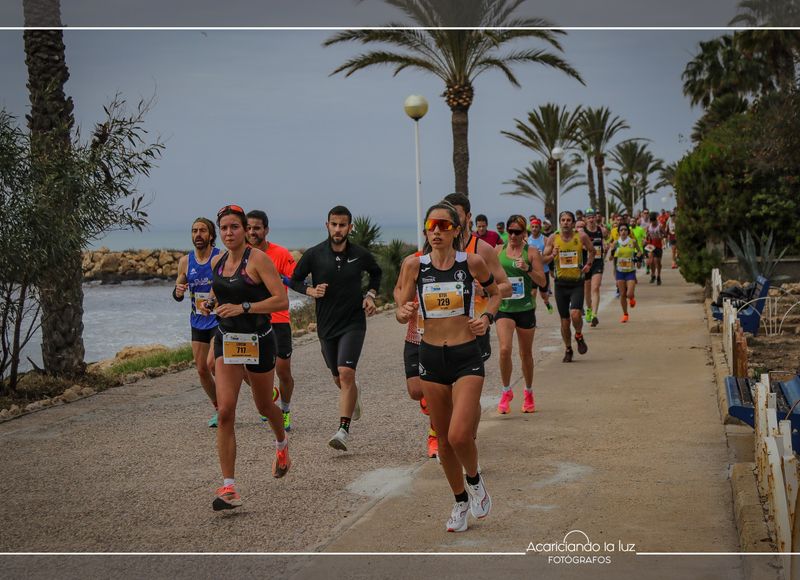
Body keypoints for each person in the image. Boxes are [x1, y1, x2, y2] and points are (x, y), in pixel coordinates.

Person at [395, 202, 500, 533]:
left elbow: (495, 293)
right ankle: (459, 502)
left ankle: (474, 477)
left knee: (458, 435)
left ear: (456, 229)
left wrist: (486, 317)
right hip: (430, 357)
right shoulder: (414, 265)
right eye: (431, 225)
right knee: (442, 440)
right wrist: (401, 311)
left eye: (443, 225)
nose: (436, 231)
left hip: (466, 355)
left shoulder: (471, 262)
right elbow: (401, 299)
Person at [198, 204, 291, 511]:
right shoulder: (220, 260)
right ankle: (229, 487)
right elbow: (221, 292)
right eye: (223, 228)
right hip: (227, 340)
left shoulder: (258, 259)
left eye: (234, 227)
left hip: (259, 340)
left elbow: (281, 298)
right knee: (225, 412)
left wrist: (245, 308)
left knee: (264, 405)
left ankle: (281, 442)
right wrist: (210, 303)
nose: (229, 233)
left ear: (244, 230)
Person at [288, 205, 382, 452]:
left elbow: (376, 273)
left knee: (346, 372)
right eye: (334, 224)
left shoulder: (360, 254)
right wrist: (310, 290)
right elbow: (294, 279)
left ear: (350, 227)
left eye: (342, 225)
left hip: (353, 322)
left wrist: (370, 295)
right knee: (338, 377)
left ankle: (343, 430)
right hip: (326, 325)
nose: (338, 229)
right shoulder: (315, 254)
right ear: (327, 225)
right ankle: (353, 392)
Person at [246, 210, 298, 431]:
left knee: (283, 370)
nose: (251, 232)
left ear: (266, 230)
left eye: (256, 228)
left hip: (277, 319)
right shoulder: (241, 254)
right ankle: (269, 397)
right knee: (245, 369)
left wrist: (285, 279)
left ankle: (284, 409)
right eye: (248, 227)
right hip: (250, 321)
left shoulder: (280, 253)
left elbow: (296, 279)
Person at [495, 215, 546, 414]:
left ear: (524, 233)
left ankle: (528, 392)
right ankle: (506, 391)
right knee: (504, 350)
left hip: (525, 308)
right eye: (511, 231)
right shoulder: (498, 251)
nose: (514, 235)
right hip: (505, 308)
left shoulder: (531, 252)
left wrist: (528, 269)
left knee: (526, 354)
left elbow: (542, 282)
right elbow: (488, 274)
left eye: (517, 232)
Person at [173, 218, 221, 427]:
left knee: (214, 365)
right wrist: (177, 291)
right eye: (194, 231)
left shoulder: (219, 257)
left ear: (211, 235)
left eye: (202, 231)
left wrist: (212, 301)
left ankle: (258, 399)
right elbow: (178, 290)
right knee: (202, 369)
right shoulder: (185, 261)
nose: (198, 234)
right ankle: (219, 408)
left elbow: (224, 285)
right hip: (198, 320)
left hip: (220, 318)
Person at [543, 211, 595, 363]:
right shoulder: (554, 238)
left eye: (568, 220)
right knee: (565, 321)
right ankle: (568, 348)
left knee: (576, 314)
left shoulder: (581, 237)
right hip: (560, 284)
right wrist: (552, 254)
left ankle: (578, 334)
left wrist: (589, 265)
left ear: (573, 223)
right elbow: (543, 259)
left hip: (577, 283)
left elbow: (592, 251)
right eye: (563, 220)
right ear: (559, 222)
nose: (565, 222)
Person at [607, 222, 642, 323]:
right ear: (618, 232)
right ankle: (625, 314)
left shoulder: (633, 242)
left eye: (625, 230)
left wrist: (638, 258)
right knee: (622, 294)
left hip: (630, 271)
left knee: (629, 293)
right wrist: (612, 252)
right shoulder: (615, 243)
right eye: (621, 230)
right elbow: (610, 258)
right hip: (620, 271)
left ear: (628, 232)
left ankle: (631, 298)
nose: (623, 232)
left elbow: (639, 251)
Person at [582, 209, 607, 327]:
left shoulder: (601, 230)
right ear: (585, 219)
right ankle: (588, 309)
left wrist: (606, 246)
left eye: (592, 217)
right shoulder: (582, 232)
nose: (591, 219)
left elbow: (607, 239)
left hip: (597, 262)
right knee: (587, 290)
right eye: (589, 217)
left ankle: (594, 315)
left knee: (595, 288)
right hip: (586, 263)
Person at [527, 218, 554, 314]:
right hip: (532, 271)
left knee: (543, 294)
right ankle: (531, 314)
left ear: (540, 228)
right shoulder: (527, 240)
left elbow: (548, 256)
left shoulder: (545, 240)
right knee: (532, 293)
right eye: (532, 227)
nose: (534, 229)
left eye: (536, 227)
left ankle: (547, 302)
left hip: (543, 270)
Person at [646, 211, 667, 285]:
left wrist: (662, 236)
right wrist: (646, 240)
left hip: (658, 245)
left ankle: (658, 276)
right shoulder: (649, 226)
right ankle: (653, 275)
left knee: (658, 262)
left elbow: (665, 234)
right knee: (651, 261)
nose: (653, 222)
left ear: (656, 220)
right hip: (651, 245)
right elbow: (647, 235)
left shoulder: (659, 226)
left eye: (654, 221)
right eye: (651, 221)